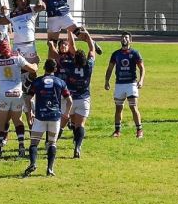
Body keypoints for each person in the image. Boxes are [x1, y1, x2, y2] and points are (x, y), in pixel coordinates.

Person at [0, 0, 45, 127]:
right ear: (16, 1)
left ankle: (29, 95)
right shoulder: (13, 15)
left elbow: (42, 7)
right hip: (18, 47)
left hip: (31, 45)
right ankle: (20, 99)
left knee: (33, 73)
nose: (23, 1)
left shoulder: (31, 9)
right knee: (18, 73)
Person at [24, 59, 72, 177]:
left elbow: (28, 98)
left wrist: (30, 112)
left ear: (44, 68)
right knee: (52, 143)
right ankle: (50, 169)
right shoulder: (60, 82)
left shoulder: (37, 82)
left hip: (40, 116)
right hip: (55, 117)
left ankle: (33, 163)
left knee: (34, 143)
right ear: (55, 69)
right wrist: (66, 113)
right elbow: (69, 100)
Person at [0, 39, 37, 157]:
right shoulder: (17, 58)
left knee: (1, 122)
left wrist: (0, 75)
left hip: (3, 94)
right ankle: (21, 146)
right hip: (17, 93)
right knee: (18, 120)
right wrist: (35, 63)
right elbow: (33, 69)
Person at [104, 32, 145, 139]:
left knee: (133, 107)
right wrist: (107, 81)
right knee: (118, 108)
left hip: (131, 84)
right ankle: (117, 131)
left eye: (126, 37)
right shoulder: (116, 54)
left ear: (130, 40)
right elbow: (110, 69)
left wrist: (141, 80)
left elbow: (142, 68)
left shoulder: (135, 53)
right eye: (122, 37)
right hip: (119, 84)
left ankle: (139, 130)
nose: (124, 39)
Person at [63, 29, 96, 158]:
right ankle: (77, 146)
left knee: (67, 123)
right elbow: (92, 50)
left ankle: (51, 142)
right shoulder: (88, 66)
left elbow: (71, 47)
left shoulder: (70, 66)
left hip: (70, 99)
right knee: (80, 125)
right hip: (84, 98)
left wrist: (70, 31)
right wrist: (88, 37)